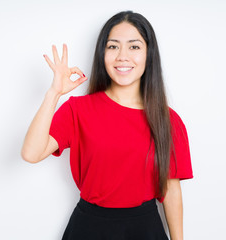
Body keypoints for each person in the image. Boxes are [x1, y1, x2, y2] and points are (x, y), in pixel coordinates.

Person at [21, 10, 193, 240]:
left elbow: (171, 190)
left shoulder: (168, 120)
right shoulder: (77, 110)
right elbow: (31, 153)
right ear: (102, 53)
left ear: (149, 54)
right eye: (113, 46)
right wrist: (54, 94)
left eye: (134, 46)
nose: (123, 56)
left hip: (145, 229)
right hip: (89, 229)